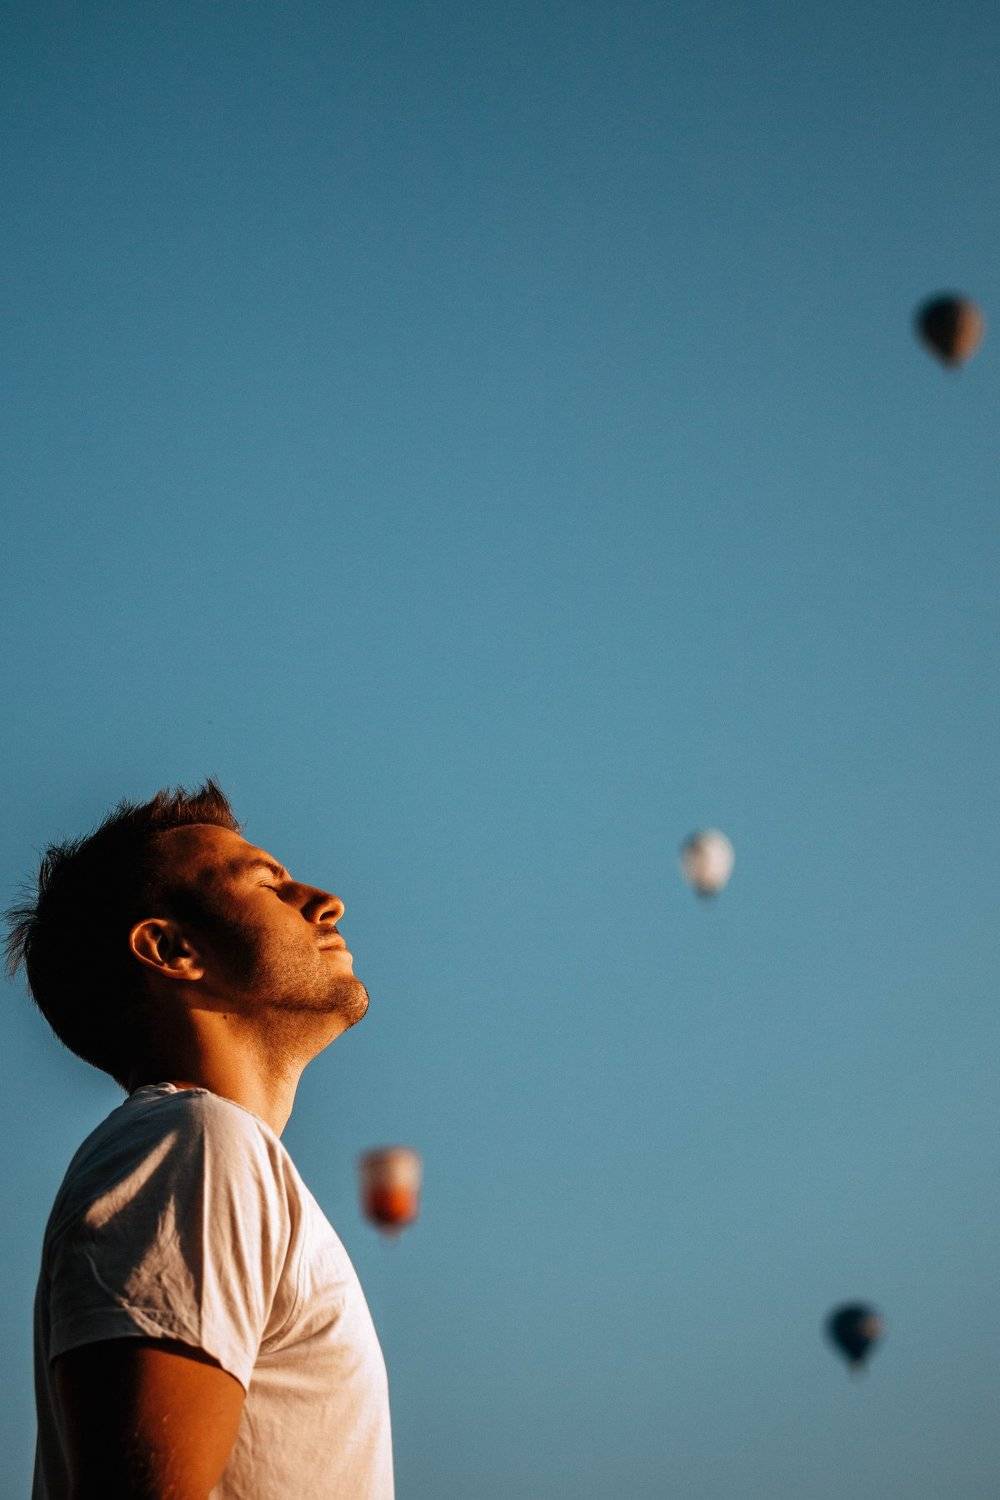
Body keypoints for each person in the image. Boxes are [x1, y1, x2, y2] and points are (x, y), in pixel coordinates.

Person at [5, 780, 394, 1498]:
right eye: (268, 884)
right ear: (171, 948)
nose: (324, 901)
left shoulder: (211, 1151)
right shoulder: (196, 1143)